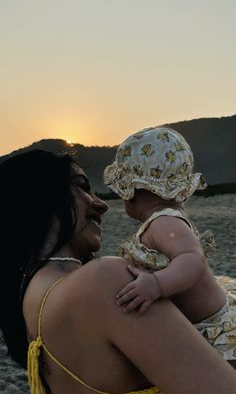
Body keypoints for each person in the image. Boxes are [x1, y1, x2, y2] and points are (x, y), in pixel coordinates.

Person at [1, 149, 236, 394]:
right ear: (37, 197)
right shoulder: (104, 281)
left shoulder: (30, 301)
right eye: (81, 187)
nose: (101, 204)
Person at [104, 126, 236, 364]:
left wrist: (157, 284)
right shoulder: (166, 219)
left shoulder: (164, 222)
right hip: (204, 321)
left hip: (215, 327)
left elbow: (192, 259)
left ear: (131, 190)